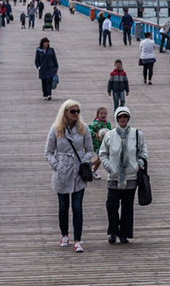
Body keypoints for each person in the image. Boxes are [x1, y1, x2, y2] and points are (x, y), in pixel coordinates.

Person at [44, 99, 97, 253]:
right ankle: (64, 235)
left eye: (77, 111)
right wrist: (56, 165)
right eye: (72, 111)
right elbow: (48, 151)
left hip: (78, 172)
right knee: (63, 207)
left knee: (77, 206)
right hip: (62, 171)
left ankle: (78, 240)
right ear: (65, 112)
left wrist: (84, 162)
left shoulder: (84, 128)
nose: (76, 114)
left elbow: (89, 149)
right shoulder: (56, 129)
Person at [98, 106, 148, 245]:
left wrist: (138, 164)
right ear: (116, 118)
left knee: (127, 207)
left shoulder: (137, 134)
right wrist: (109, 167)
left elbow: (143, 150)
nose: (123, 119)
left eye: (125, 117)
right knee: (111, 206)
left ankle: (124, 233)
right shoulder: (110, 135)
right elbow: (103, 153)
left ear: (129, 118)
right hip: (114, 177)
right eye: (120, 117)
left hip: (130, 177)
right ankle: (113, 231)